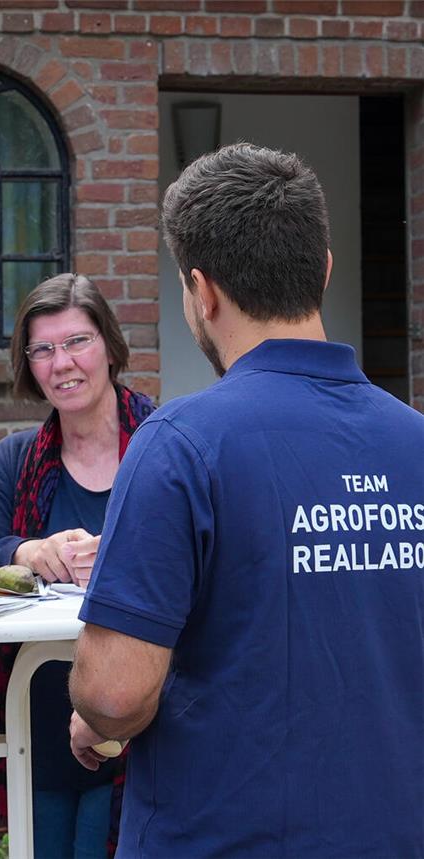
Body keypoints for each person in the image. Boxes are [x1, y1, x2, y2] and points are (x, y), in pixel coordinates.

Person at [69, 143, 424, 857]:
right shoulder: (415, 440)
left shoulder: (180, 443)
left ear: (202, 292)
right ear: (323, 269)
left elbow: (113, 693)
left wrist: (95, 718)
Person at [0, 274, 154, 859]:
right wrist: (27, 552)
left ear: (110, 347)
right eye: (42, 349)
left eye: (77, 342)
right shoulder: (17, 459)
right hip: (34, 719)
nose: (61, 363)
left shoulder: (164, 447)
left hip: (134, 721)